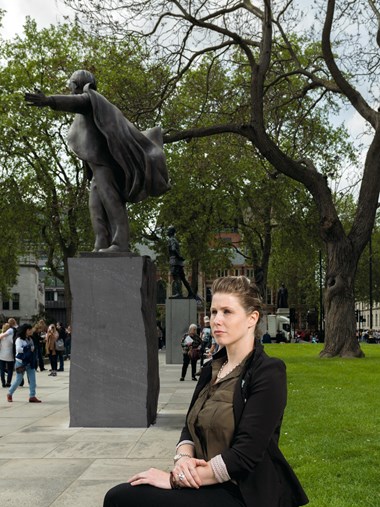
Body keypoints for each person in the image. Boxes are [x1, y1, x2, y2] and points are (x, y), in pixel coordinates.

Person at [104, 276, 308, 507]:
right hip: (203, 482)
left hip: (242, 491)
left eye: (227, 312)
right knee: (123, 494)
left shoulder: (268, 372)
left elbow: (245, 455)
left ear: (252, 318)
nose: (216, 320)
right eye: (213, 312)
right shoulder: (211, 368)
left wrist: (175, 479)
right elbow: (189, 427)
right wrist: (183, 459)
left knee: (122, 499)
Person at [25, 70, 170, 253]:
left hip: (103, 163)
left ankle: (120, 243)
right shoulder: (90, 110)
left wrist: (49, 100)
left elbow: (77, 101)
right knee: (95, 205)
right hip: (96, 165)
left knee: (111, 199)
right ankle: (101, 241)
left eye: (70, 86)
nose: (69, 90)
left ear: (77, 85)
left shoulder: (91, 99)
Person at [7, 323, 41, 403]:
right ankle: (9, 393)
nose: (31, 331)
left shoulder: (30, 339)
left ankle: (32, 396)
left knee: (33, 380)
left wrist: (31, 348)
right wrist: (29, 348)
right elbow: (18, 349)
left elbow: (33, 347)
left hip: (30, 362)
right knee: (18, 380)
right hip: (21, 362)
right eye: (29, 330)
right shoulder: (19, 339)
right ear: (25, 330)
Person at [0, 323, 15, 387]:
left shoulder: (1, 335)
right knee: (10, 369)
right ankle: (8, 382)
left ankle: (3, 382)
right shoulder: (11, 336)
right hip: (9, 354)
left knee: (2, 369)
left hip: (2, 353)